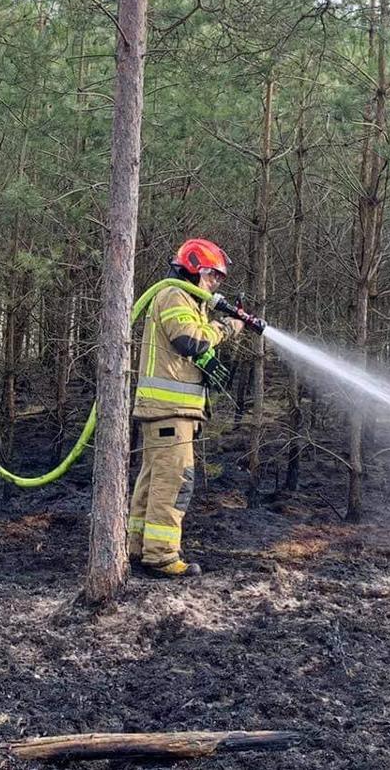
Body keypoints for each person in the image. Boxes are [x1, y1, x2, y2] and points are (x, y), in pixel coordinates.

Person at [126, 238, 244, 578]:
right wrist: (227, 327)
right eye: (211, 276)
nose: (215, 284)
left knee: (153, 481)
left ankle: (139, 548)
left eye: (219, 278)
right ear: (193, 269)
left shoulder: (185, 300)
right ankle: (161, 556)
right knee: (174, 482)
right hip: (169, 410)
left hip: (166, 411)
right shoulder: (174, 295)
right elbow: (190, 340)